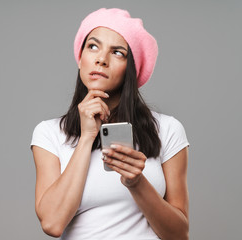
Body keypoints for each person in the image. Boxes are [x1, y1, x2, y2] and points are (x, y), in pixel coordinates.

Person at [30, 8, 190, 240]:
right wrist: (86, 137)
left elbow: (179, 235)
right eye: (92, 46)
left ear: (131, 69)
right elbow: (52, 223)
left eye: (117, 52)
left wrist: (136, 183)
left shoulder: (167, 130)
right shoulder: (49, 133)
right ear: (80, 58)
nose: (101, 59)